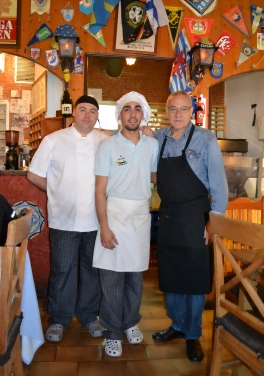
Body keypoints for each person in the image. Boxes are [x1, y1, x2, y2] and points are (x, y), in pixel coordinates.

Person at [151, 90, 228, 362]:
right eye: (173, 109)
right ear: (167, 111)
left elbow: (219, 185)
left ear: (192, 111)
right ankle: (178, 325)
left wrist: (213, 221)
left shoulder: (206, 139)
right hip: (169, 216)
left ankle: (193, 333)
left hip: (197, 216)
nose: (178, 114)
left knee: (195, 279)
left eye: (184, 109)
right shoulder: (158, 138)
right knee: (172, 276)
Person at [27, 95, 107, 342]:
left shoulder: (105, 141)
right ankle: (59, 319)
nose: (87, 114)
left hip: (96, 220)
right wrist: (57, 189)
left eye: (92, 111)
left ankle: (88, 316)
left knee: (92, 270)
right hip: (64, 218)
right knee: (62, 270)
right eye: (82, 109)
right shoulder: (53, 140)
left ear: (96, 116)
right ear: (74, 113)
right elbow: (33, 175)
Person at [93, 91, 158, 357]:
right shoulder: (107, 146)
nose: (132, 113)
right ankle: (111, 331)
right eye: (127, 109)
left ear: (143, 115)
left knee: (134, 276)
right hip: (115, 215)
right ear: (119, 115)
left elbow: (154, 176)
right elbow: (99, 190)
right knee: (111, 278)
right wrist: (104, 226)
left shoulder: (152, 145)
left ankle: (130, 322)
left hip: (141, 217)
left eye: (137, 109)